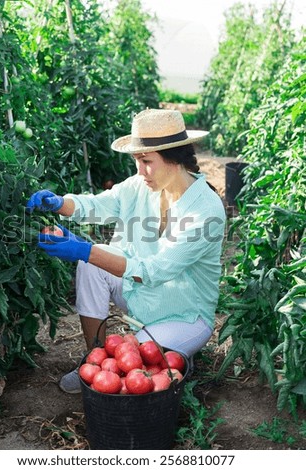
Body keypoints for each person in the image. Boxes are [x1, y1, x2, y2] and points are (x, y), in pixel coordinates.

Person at [26, 108, 226, 394]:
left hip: (183, 315)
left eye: (146, 161)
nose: (140, 170)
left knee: (137, 364)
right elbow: (101, 204)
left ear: (174, 158)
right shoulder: (141, 186)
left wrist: (85, 249)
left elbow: (154, 271)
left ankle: (175, 348)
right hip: (142, 296)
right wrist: (59, 203)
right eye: (136, 161)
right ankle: (94, 359)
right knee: (92, 266)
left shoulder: (205, 211)